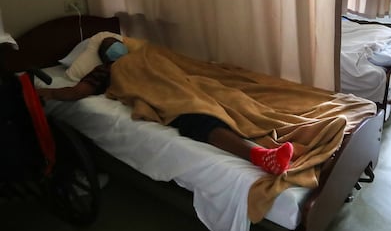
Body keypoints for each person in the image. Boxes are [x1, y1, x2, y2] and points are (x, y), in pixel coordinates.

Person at [36, 37, 294, 175]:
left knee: (230, 96)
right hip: (168, 98)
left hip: (188, 83)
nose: (113, 48)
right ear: (104, 58)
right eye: (107, 48)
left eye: (115, 44)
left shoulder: (148, 55)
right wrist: (47, 92)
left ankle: (285, 134)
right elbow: (77, 92)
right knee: (198, 117)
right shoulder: (105, 70)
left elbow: (182, 67)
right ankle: (261, 156)